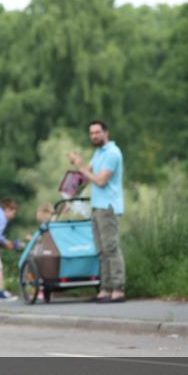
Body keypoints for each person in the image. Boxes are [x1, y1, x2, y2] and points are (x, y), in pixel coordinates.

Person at [68, 120, 125, 303]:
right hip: (97, 207)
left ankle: (118, 289)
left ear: (106, 133)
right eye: (91, 133)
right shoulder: (98, 153)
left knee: (111, 248)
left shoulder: (112, 153)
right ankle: (105, 290)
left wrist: (81, 167)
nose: (94, 136)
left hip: (108, 207)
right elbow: (86, 177)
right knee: (101, 251)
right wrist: (73, 181)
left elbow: (100, 181)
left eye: (97, 132)